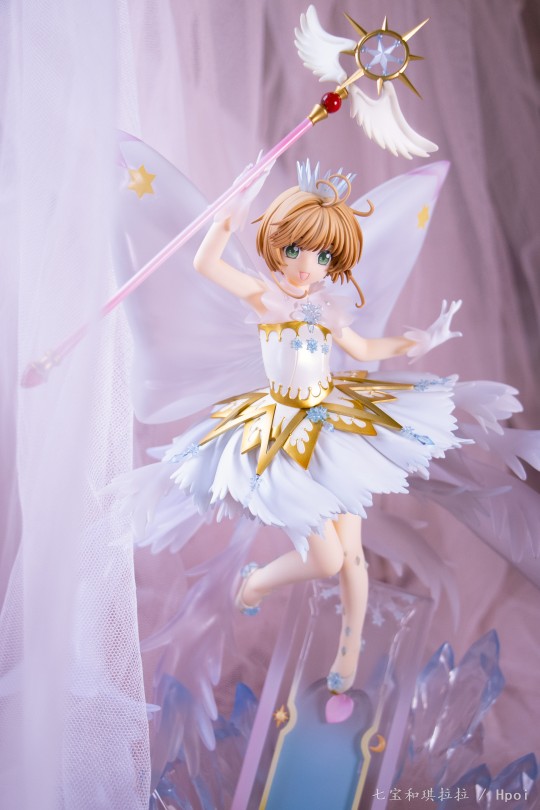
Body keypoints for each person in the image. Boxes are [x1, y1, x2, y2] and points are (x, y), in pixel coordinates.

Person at [158, 162, 462, 693]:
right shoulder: (266, 298)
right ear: (278, 245)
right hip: (286, 429)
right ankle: (254, 584)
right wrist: (227, 219)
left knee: (352, 555)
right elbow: (206, 263)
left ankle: (349, 650)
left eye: (321, 257)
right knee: (325, 557)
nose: (306, 266)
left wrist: (418, 343)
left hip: (335, 423)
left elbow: (362, 349)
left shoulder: (325, 308)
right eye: (296, 249)